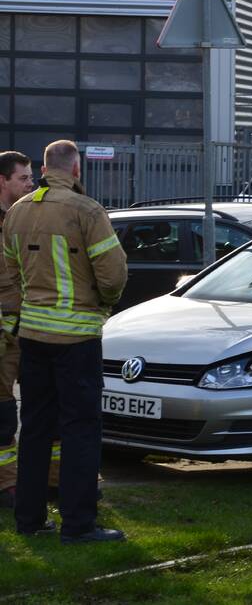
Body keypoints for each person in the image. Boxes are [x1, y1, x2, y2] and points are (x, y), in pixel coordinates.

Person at [5, 140, 127, 543]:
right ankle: (78, 524)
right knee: (79, 430)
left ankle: (31, 521)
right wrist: (101, 306)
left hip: (33, 337)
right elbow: (112, 276)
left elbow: (12, 273)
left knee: (36, 428)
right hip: (76, 339)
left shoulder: (17, 212)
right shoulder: (87, 210)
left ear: (43, 169)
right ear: (76, 171)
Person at [0, 151, 48, 509]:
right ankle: (7, 486)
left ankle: (50, 480)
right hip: (5, 334)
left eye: (32, 178)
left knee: (37, 406)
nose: (30, 185)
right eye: (23, 179)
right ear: (2, 181)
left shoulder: (23, 219)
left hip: (25, 329)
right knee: (3, 410)